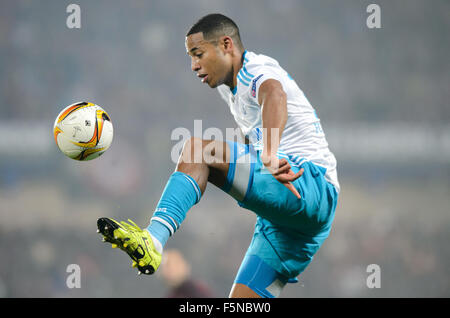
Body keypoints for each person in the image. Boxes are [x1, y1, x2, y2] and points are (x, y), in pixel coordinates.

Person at [97, 13, 339, 298]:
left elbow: (274, 94)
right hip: (293, 224)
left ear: (226, 45)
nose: (193, 65)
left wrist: (270, 155)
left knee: (199, 150)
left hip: (308, 183)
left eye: (198, 54)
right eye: (190, 57)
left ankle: (153, 240)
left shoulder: (254, 69)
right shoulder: (231, 89)